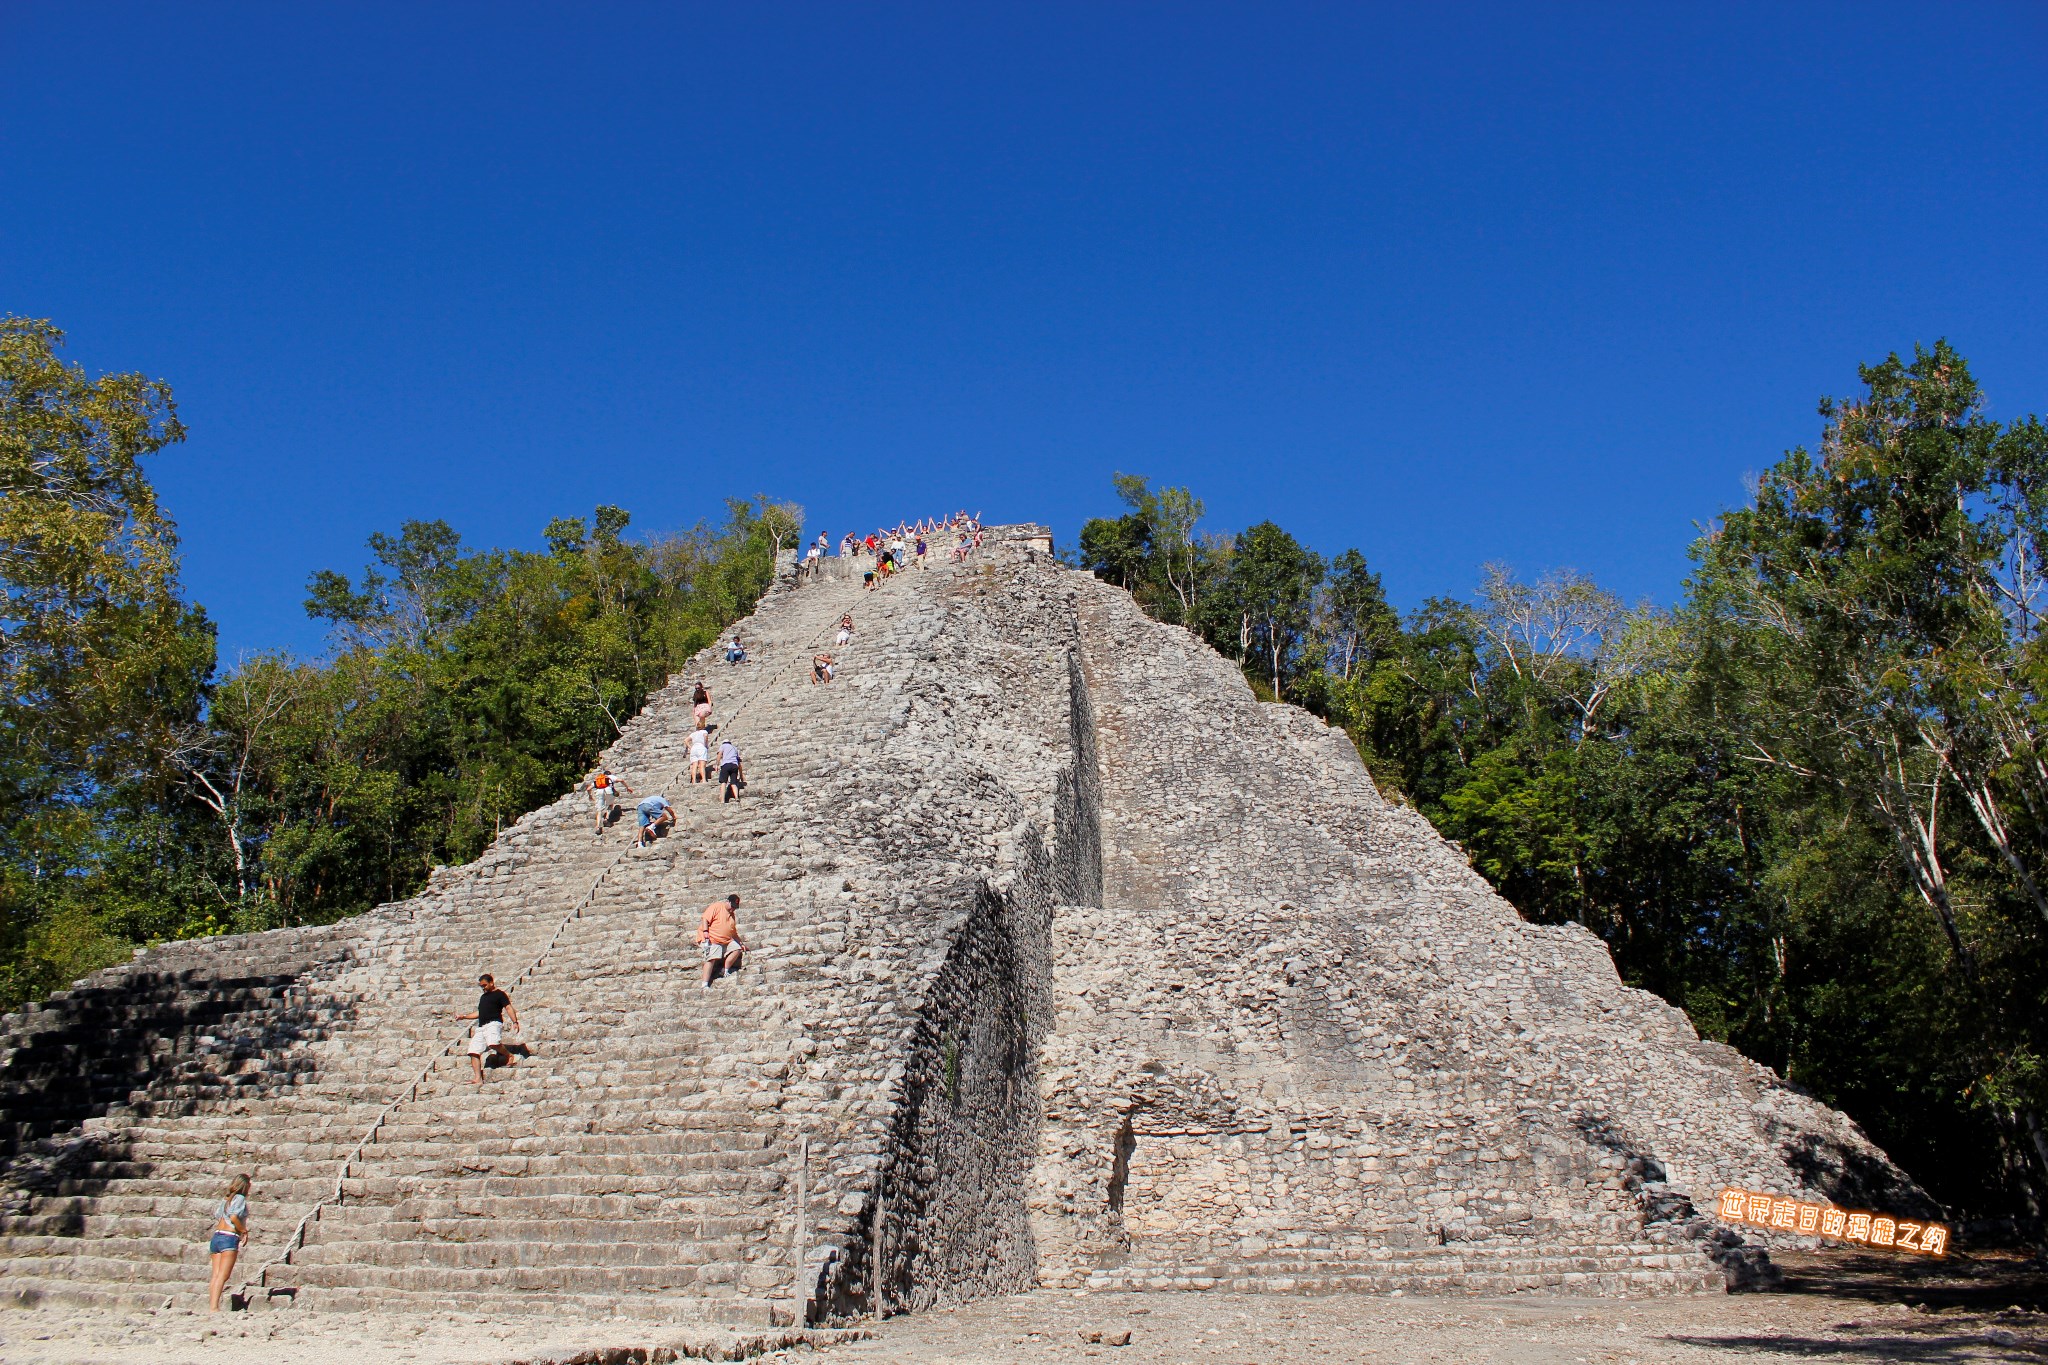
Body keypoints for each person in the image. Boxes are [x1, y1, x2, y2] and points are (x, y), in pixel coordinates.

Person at [457, 974, 521, 1085]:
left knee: (493, 1043)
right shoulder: (483, 997)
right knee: (473, 1051)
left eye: (485, 985)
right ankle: (478, 1079)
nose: (483, 988)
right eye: (481, 986)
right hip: (481, 1027)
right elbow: (479, 1013)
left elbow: (508, 1007)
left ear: (491, 982)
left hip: (494, 1023)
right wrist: (464, 1016)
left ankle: (509, 1055)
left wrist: (514, 1021)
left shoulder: (500, 994)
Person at [206, 1173, 251, 1311]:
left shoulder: (225, 1199)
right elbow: (233, 1217)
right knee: (223, 1276)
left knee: (215, 1275)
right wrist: (243, 1231)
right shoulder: (240, 1198)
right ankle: (214, 1307)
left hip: (217, 1236)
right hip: (229, 1236)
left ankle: (212, 1305)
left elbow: (219, 1216)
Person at [699, 892, 744, 987]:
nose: (733, 909)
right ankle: (705, 984)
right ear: (727, 902)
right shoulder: (717, 907)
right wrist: (705, 931)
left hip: (726, 940)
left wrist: (741, 943)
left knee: (737, 948)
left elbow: (733, 932)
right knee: (711, 958)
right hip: (712, 939)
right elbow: (705, 919)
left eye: (735, 908)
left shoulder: (732, 915)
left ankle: (725, 970)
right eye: (732, 906)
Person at [581, 768, 632, 836]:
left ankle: (598, 827)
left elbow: (588, 789)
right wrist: (627, 787)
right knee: (610, 805)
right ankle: (607, 818)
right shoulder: (611, 777)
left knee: (599, 811)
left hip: (599, 792)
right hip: (608, 791)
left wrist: (590, 796)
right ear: (609, 774)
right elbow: (621, 780)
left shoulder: (598, 779)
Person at [716, 737, 744, 803]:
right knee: (733, 782)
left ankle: (722, 800)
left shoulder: (723, 746)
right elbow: (738, 760)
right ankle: (736, 797)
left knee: (723, 782)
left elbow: (719, 754)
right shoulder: (734, 748)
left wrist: (717, 764)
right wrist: (741, 774)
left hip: (726, 765)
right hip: (734, 765)